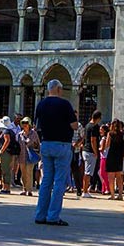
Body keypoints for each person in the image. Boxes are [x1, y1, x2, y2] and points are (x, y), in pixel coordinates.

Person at [33, 79, 80, 225]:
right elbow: (74, 126)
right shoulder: (64, 104)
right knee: (59, 181)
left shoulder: (41, 104)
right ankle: (53, 216)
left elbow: (37, 125)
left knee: (46, 180)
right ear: (59, 89)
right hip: (61, 145)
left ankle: (40, 215)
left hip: (46, 144)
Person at [103, 119, 124, 200]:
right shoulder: (122, 134)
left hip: (111, 156)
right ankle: (120, 195)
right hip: (119, 156)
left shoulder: (110, 134)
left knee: (111, 177)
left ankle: (112, 195)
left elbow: (107, 145)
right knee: (119, 177)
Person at [82, 110, 103, 196]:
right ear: (98, 118)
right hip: (90, 151)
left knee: (87, 171)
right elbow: (93, 140)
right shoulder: (94, 127)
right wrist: (95, 152)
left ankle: (85, 189)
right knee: (88, 172)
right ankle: (85, 191)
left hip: (85, 150)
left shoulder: (87, 125)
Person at [19, 116, 40, 197]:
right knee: (23, 173)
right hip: (22, 155)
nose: (25, 125)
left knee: (29, 172)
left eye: (26, 123)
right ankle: (24, 189)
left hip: (30, 156)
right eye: (23, 123)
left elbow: (37, 144)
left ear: (29, 124)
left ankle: (29, 190)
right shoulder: (20, 134)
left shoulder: (34, 133)